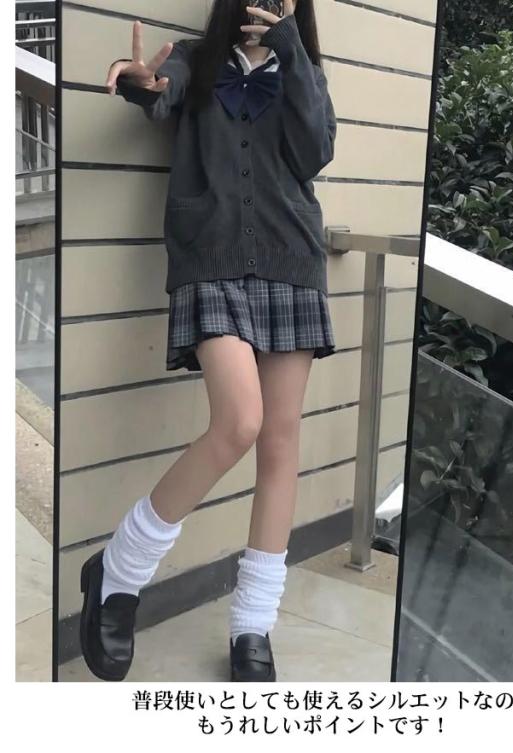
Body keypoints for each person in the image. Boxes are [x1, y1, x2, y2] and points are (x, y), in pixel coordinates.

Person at [79, 0, 337, 682]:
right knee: (239, 422)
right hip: (212, 264)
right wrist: (141, 81)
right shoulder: (197, 61)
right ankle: (120, 569)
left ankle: (254, 622)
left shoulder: (305, 72)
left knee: (280, 440)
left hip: (291, 262)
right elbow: (161, 91)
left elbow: (315, 151)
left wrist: (291, 51)